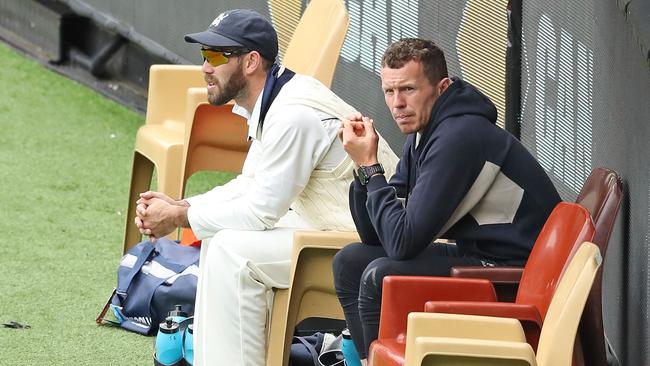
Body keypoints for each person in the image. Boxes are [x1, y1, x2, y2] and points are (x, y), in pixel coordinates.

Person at [134, 9, 397, 366]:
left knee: (233, 251)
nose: (205, 67)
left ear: (251, 62)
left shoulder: (293, 113)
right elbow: (250, 186)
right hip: (330, 227)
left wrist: (179, 215)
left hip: (369, 245)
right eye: (204, 55)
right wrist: (181, 204)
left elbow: (261, 211)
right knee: (221, 238)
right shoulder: (277, 97)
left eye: (216, 55)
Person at [333, 38, 561, 363]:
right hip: (482, 255)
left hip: (513, 274)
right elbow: (376, 236)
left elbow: (402, 243)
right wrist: (362, 169)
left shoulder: (458, 137)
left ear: (441, 88)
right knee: (351, 260)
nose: (397, 103)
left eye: (408, 90)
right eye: (389, 91)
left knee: (380, 275)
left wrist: (371, 166)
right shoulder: (425, 132)